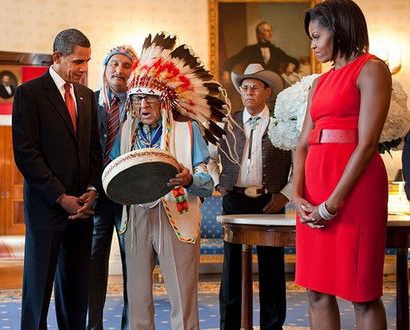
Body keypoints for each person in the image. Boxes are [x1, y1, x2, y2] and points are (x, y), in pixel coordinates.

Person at [111, 32, 228, 329]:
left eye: (150, 98)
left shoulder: (188, 131)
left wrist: (190, 179)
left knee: (182, 297)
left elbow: (208, 180)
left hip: (177, 213)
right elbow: (112, 172)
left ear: (164, 100)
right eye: (137, 100)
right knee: (137, 298)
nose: (143, 106)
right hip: (135, 216)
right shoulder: (126, 132)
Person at [292, 0, 391, 328]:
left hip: (355, 190)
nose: (313, 45)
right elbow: (302, 143)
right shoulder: (318, 83)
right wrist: (297, 195)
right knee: (316, 291)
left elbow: (366, 144)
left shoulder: (371, 68)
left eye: (317, 36)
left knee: (362, 293)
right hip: (313, 189)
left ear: (340, 29)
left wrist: (332, 204)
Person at [12, 28, 101, 329]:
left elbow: (93, 150)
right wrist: (59, 197)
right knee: (38, 292)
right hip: (47, 209)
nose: (83, 69)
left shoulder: (88, 97)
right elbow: (26, 154)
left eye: (87, 62)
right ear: (57, 57)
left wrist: (91, 189)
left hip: (82, 211)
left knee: (76, 293)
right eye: (78, 62)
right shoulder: (29, 93)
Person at [213, 63, 289, 330]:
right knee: (231, 270)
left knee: (272, 270)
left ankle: (272, 326)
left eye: (254, 88)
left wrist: (285, 195)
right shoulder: (228, 121)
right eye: (244, 88)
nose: (248, 93)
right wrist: (218, 181)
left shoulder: (282, 124)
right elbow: (208, 159)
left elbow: (300, 164)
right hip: (234, 201)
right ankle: (229, 326)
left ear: (267, 91)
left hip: (270, 202)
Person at [88, 45, 137, 330]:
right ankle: (92, 324)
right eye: (114, 65)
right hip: (98, 196)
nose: (119, 71)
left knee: (135, 264)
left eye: (126, 66)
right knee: (94, 265)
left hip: (130, 195)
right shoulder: (90, 103)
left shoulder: (140, 105)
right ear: (105, 69)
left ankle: (132, 323)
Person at [222, 21, 300, 79]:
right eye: (267, 30)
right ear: (259, 34)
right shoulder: (249, 50)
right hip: (254, 84)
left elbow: (294, 60)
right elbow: (233, 60)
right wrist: (226, 70)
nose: (270, 33)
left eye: (271, 30)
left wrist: (291, 64)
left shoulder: (276, 51)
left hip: (274, 84)